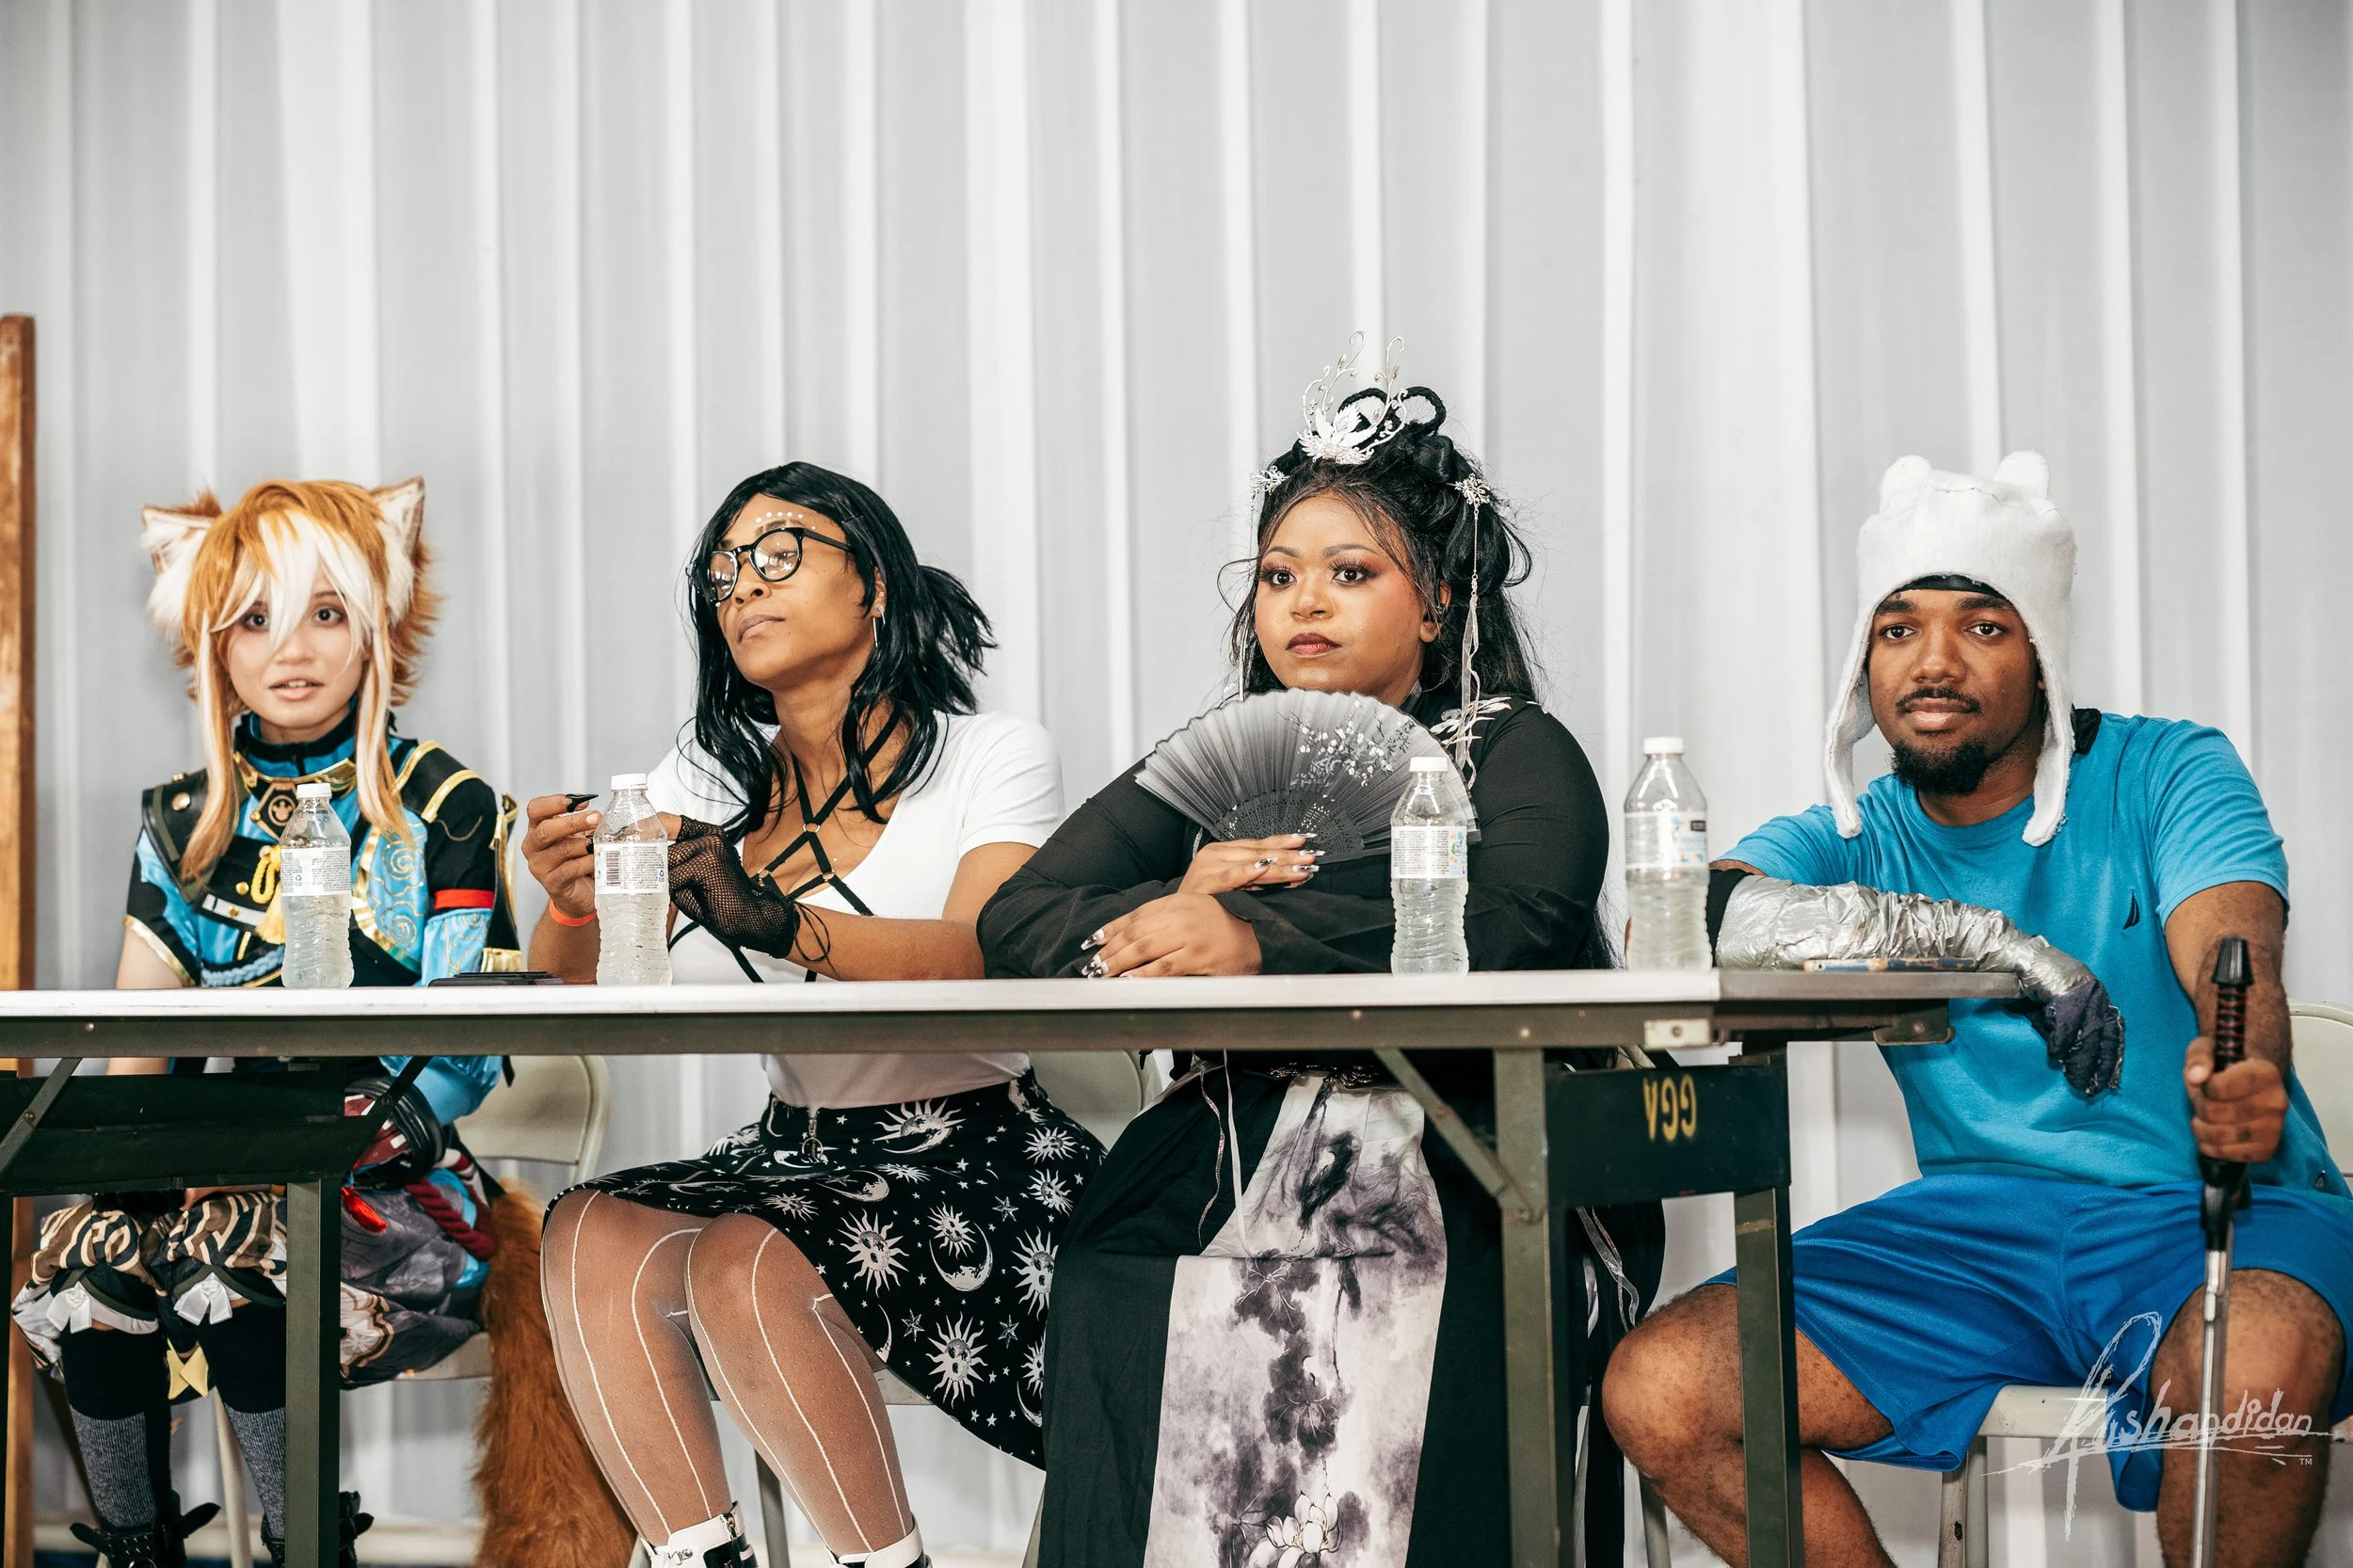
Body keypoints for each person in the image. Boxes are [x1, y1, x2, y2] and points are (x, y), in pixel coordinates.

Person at [978, 340, 1663, 1568]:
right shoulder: (1220, 757)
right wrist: (1169, 891)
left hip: (1468, 1145)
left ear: (1438, 601)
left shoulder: (1513, 751)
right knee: (1123, 1281)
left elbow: (1515, 919)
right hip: (1229, 1147)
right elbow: (1021, 915)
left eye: (1351, 572)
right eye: (1281, 573)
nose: (1303, 600)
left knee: (1370, 1310)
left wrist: (1249, 937)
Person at [1603, 453, 2353, 1566]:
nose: (1934, 663)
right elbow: (1684, 924)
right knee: (1661, 1387)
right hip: (1973, 1235)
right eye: (1898, 629)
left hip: (2212, 1211)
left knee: (2253, 1360)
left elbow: (2234, 948)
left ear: (2041, 649)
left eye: (1983, 627)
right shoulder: (1853, 836)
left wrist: (2241, 1063)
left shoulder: (2166, 768)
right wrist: (1993, 944)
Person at [527, 462, 1099, 1568]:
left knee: (748, 1257)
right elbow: (578, 995)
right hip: (797, 1150)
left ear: (873, 581)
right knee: (588, 1226)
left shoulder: (990, 754)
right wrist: (566, 899)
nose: (743, 584)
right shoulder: (704, 775)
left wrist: (769, 918)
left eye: (779, 551)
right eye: (724, 570)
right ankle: (702, 1555)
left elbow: (982, 952)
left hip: (979, 1151)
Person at [8, 479, 560, 1568]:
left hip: (397, 1195)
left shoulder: (446, 804)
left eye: (325, 611)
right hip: (222, 1174)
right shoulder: (180, 824)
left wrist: (272, 1153)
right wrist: (144, 1163)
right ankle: (139, 1547)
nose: (289, 647)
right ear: (210, 642)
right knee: (79, 1258)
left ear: (376, 627)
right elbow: (139, 1051)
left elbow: (466, 1048)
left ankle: (305, 1544)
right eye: (253, 617)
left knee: (234, 1254)